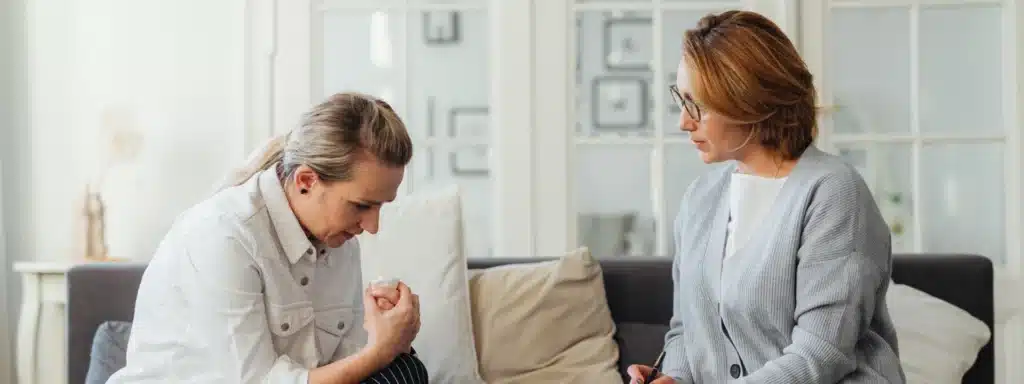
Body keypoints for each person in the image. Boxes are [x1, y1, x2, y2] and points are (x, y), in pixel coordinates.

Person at [627, 11, 906, 384]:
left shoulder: (833, 193)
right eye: (681, 99)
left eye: (700, 105)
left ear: (751, 101)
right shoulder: (699, 198)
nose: (684, 122)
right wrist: (674, 377)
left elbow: (821, 354)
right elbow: (684, 328)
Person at [106, 92, 430, 384]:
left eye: (380, 207)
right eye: (361, 205)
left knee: (406, 371)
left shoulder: (339, 243)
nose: (372, 226)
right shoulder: (225, 236)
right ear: (306, 181)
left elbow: (344, 364)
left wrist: (387, 335)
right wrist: (380, 352)